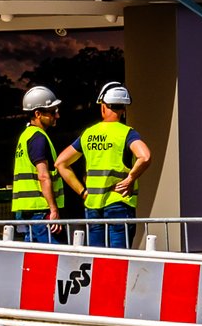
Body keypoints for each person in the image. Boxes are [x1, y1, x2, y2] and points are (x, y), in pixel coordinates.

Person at [59, 83, 151, 250]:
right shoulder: (126, 133)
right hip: (119, 203)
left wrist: (82, 191)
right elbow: (145, 157)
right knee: (119, 259)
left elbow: (61, 163)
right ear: (123, 109)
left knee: (98, 258)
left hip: (93, 205)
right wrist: (131, 178)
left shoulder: (88, 133)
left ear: (103, 106)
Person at [11, 86, 67, 243]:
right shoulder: (38, 138)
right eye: (52, 111)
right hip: (40, 211)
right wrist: (53, 209)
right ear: (37, 114)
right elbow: (43, 176)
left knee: (33, 260)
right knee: (53, 260)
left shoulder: (25, 136)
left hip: (27, 210)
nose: (57, 115)